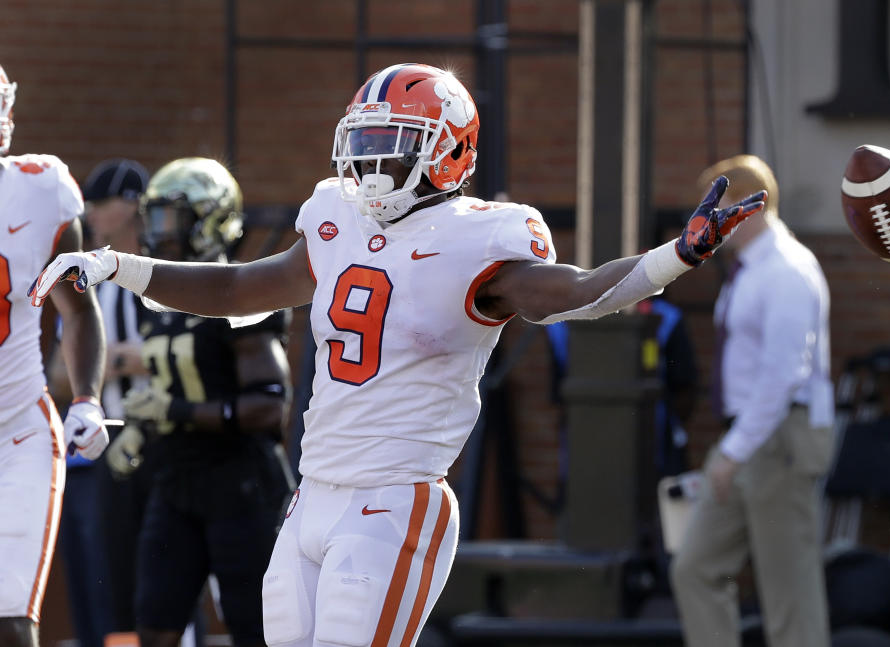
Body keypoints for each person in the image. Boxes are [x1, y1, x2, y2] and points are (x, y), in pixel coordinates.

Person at [31, 63, 765, 647]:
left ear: (447, 152)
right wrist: (115, 266)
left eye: (393, 142)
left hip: (394, 498)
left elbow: (573, 292)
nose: (372, 159)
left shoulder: (483, 237)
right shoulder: (334, 216)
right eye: (367, 138)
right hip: (312, 492)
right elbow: (245, 286)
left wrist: (676, 255)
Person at [106, 157, 295, 647]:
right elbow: (182, 386)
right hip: (175, 482)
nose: (159, 233)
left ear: (212, 221)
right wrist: (144, 427)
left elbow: (269, 407)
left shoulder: (242, 295)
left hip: (241, 487)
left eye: (172, 219)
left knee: (256, 631)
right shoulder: (160, 301)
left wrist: (175, 412)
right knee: (155, 625)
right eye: (154, 220)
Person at [668, 154, 834, 647]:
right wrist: (735, 449)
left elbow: (784, 375)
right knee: (695, 569)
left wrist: (734, 452)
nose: (711, 221)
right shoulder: (753, 268)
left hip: (777, 436)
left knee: (790, 593)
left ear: (750, 205)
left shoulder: (785, 269)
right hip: (750, 436)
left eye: (720, 207)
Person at [0, 63, 109, 647]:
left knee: (12, 626)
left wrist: (88, 397)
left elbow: (77, 306)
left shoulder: (39, 192)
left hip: (15, 432)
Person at [46, 158, 152, 647]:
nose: (88, 213)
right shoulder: (86, 280)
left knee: (153, 580)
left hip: (155, 446)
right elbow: (56, 373)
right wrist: (116, 362)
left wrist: (126, 358)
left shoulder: (166, 277)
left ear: (132, 207)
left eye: (100, 202)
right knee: (92, 575)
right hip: (94, 450)